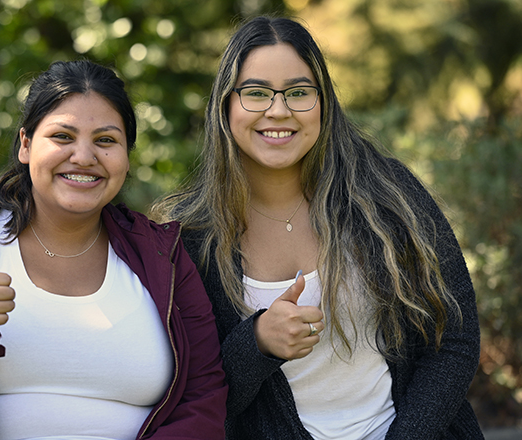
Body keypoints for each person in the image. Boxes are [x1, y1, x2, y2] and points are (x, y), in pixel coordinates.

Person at [0, 60, 227, 440]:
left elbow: (204, 399)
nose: (84, 157)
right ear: (26, 145)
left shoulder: (163, 258)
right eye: (63, 136)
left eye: (105, 140)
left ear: (127, 157)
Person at [152, 16, 482, 440]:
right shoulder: (192, 234)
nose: (279, 110)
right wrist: (256, 344)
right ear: (225, 105)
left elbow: (454, 338)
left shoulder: (386, 194)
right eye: (255, 93)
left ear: (323, 101)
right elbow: (198, 395)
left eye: (299, 92)